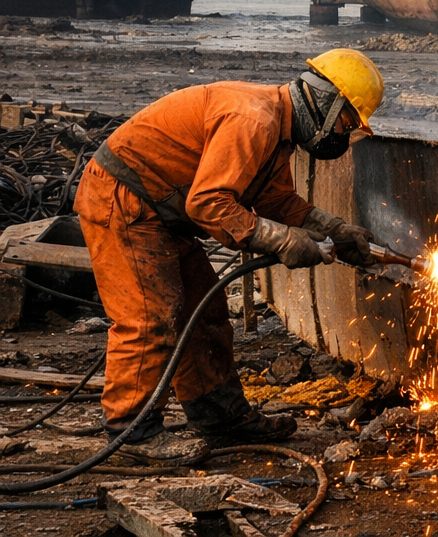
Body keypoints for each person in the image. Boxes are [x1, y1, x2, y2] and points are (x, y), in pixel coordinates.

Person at [75, 48, 384, 463]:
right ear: (327, 102)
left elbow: (277, 200)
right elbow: (208, 204)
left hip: (160, 211)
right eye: (348, 123)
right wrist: (282, 241)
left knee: (205, 313)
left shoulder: (278, 129)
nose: (344, 134)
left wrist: (334, 230)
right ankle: (132, 434)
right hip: (125, 201)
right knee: (150, 317)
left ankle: (218, 416)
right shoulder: (254, 119)